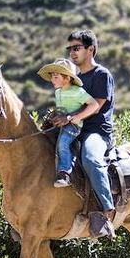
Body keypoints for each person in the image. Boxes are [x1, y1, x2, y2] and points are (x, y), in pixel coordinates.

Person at [51, 30, 117, 238]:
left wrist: (70, 118)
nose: (72, 52)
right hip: (73, 129)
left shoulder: (101, 75)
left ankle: (106, 212)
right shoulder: (74, 79)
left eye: (77, 48)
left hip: (96, 131)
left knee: (90, 158)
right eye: (70, 49)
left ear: (91, 49)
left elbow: (96, 106)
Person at [37, 58, 100, 188]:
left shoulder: (78, 92)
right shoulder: (58, 92)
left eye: (56, 77)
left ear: (67, 78)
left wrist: (75, 117)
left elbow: (94, 105)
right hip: (61, 124)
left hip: (73, 126)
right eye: (52, 77)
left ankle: (65, 173)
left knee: (63, 143)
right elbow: (62, 109)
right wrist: (54, 116)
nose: (52, 80)